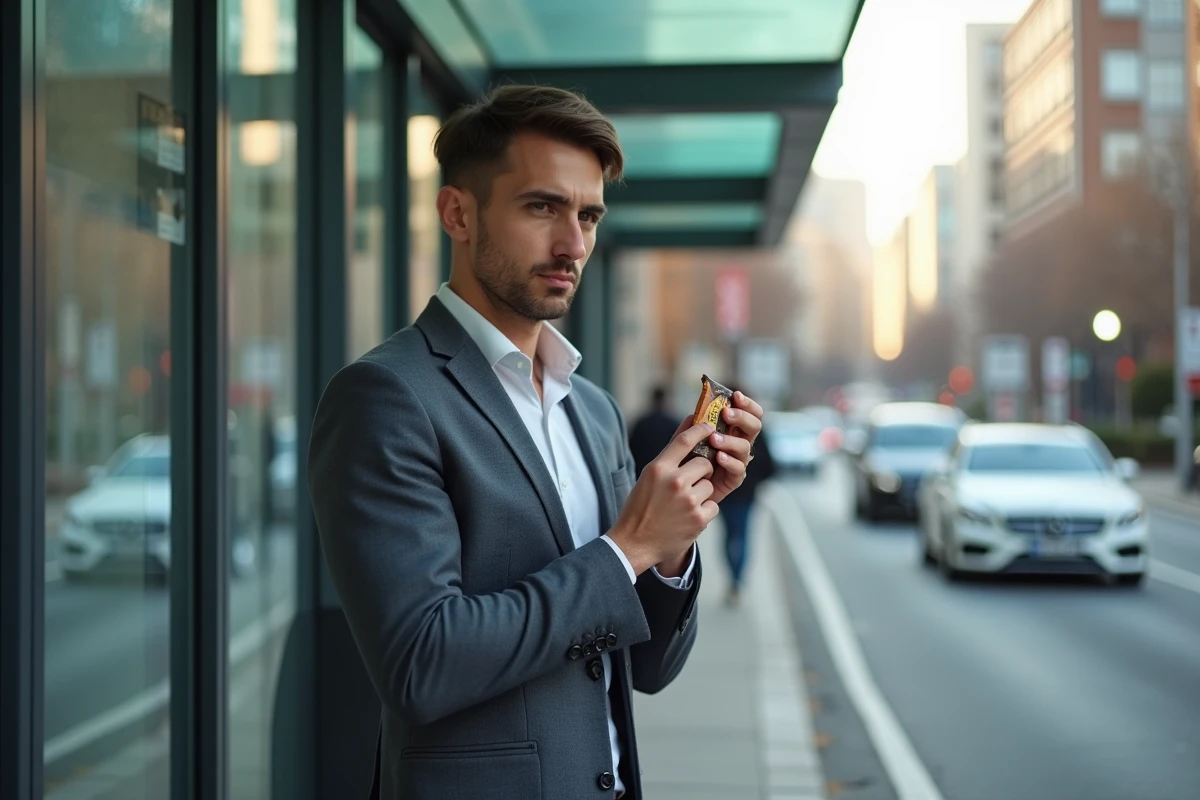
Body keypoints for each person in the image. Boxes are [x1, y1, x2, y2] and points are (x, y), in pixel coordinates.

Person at [307, 85, 765, 800]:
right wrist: (630, 547)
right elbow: (420, 666)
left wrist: (674, 538)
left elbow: (646, 670)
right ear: (457, 212)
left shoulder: (595, 410)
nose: (574, 244)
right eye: (541, 207)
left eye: (587, 215)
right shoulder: (385, 398)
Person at [717, 391, 776, 607]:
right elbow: (769, 465)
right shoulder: (755, 430)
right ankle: (737, 580)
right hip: (746, 494)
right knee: (741, 537)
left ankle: (734, 578)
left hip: (725, 495)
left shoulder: (720, 428)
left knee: (729, 536)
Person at [628, 386, 680, 478]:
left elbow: (631, 448)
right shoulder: (673, 423)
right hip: (665, 474)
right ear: (665, 400)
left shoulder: (641, 423)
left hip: (641, 473)